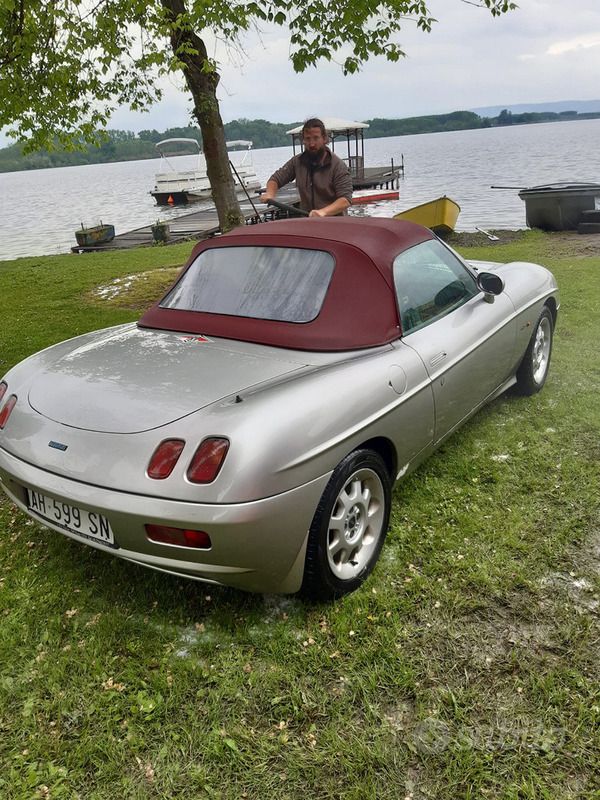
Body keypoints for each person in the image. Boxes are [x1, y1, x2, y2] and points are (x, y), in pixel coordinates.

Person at [260, 118, 353, 217]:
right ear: (303, 140)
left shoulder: (338, 165)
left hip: (334, 224)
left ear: (325, 138)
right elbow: (275, 179)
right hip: (307, 222)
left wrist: (323, 212)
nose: (311, 144)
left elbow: (345, 200)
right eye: (308, 139)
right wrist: (270, 193)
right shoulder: (297, 162)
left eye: (316, 138)